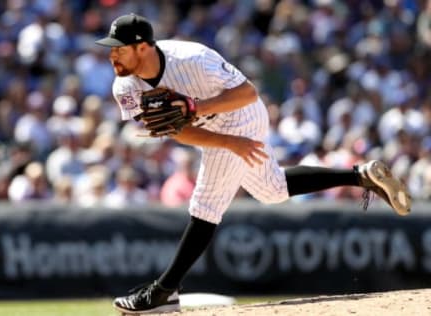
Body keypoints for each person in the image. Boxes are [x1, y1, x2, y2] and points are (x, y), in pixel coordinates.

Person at [95, 13, 412, 314]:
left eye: (119, 49)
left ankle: (164, 290)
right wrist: (228, 142)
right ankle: (361, 175)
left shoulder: (190, 58)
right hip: (215, 131)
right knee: (272, 190)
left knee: (206, 204)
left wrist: (198, 108)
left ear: (143, 46)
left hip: (240, 114)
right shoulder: (124, 86)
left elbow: (248, 93)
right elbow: (176, 131)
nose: (113, 57)